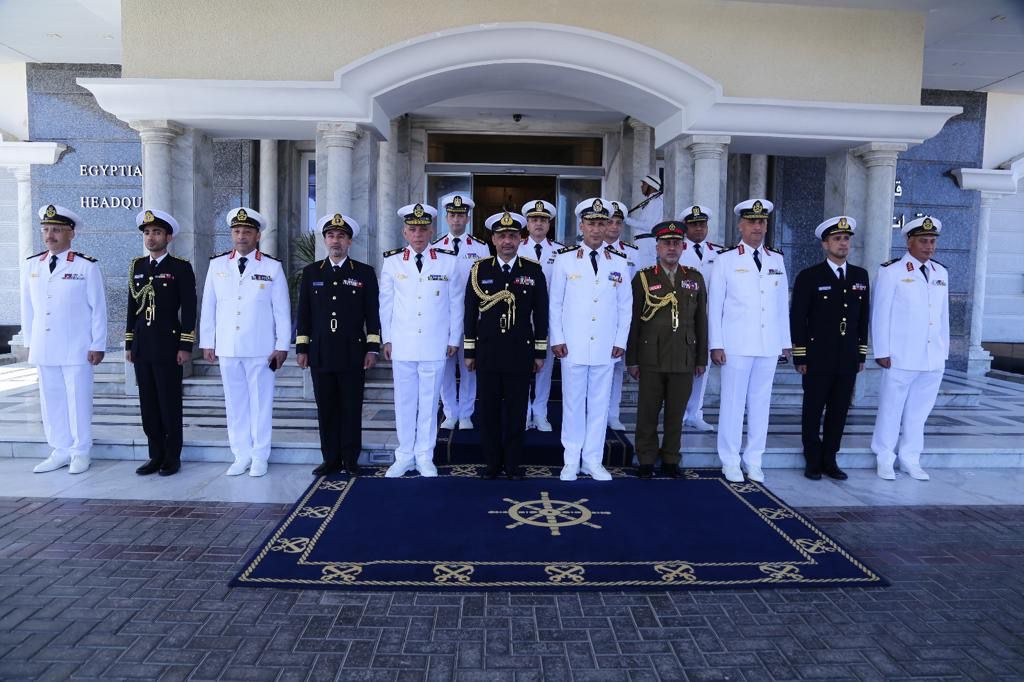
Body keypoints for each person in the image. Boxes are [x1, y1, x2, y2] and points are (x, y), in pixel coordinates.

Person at [199, 207, 291, 478]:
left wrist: (282, 345)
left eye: (247, 231)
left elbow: (282, 310)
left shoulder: (272, 267)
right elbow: (209, 306)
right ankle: (241, 454)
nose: (241, 236)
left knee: (261, 404)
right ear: (231, 234)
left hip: (261, 348)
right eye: (237, 231)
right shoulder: (217, 265)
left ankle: (260, 455)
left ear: (257, 236)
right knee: (235, 404)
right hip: (228, 346)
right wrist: (208, 341)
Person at [549, 198, 632, 481]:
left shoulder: (619, 262)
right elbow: (555, 304)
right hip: (572, 345)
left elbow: (625, 306)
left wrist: (620, 340)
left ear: (608, 226)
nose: (596, 229)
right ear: (581, 226)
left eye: (601, 223)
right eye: (591, 223)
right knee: (573, 404)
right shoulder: (565, 259)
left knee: (599, 405)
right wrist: (557, 338)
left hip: (605, 346)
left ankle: (593, 460)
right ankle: (571, 459)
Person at [708, 199, 791, 483]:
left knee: (760, 405)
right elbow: (715, 306)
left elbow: (781, 305)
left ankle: (754, 459)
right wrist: (716, 344)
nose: (757, 226)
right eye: (752, 222)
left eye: (762, 222)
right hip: (736, 344)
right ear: (740, 226)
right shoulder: (726, 260)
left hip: (768, 344)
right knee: (732, 404)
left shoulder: (776, 259)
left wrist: (785, 341)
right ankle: (730, 460)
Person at [380, 203, 465, 478]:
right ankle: (404, 455)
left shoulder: (448, 261)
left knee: (429, 403)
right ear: (404, 232)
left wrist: (454, 338)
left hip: (434, 343)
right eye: (412, 229)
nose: (418, 234)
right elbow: (386, 304)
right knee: (404, 402)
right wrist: (387, 339)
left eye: (423, 229)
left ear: (431, 231)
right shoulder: (392, 262)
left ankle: (425, 456)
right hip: (403, 344)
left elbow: (456, 304)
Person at [21, 204, 107, 475]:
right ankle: (60, 449)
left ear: (71, 233)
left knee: (78, 400)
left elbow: (98, 309)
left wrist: (98, 344)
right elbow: (27, 307)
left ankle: (80, 451)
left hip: (76, 347)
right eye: (46, 229)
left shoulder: (85, 266)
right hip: (45, 346)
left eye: (56, 230)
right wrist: (30, 342)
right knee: (51, 400)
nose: (50, 235)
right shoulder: (32, 265)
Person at [464, 211, 548, 479]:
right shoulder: (480, 270)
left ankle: (512, 464)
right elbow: (469, 312)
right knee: (488, 411)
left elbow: (542, 313)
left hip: (520, 351)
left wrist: (539, 351)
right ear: (493, 239)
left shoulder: (532, 270)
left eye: (512, 236)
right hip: (487, 351)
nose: (507, 241)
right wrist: (469, 350)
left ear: (521, 239)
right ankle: (491, 463)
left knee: (516, 410)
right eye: (502, 236)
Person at [295, 213, 380, 476]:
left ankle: (351, 459)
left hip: (353, 351)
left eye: (341, 236)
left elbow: (372, 313)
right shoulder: (311, 272)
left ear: (349, 241)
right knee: (326, 408)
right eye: (331, 236)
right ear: (324, 240)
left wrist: (372, 347)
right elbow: (304, 313)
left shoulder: (363, 272)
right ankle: (330, 459)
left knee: (351, 407)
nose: (336, 241)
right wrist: (302, 348)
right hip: (320, 352)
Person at [626, 220, 708, 478]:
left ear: (683, 247)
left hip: (684, 356)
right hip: (650, 357)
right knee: (647, 412)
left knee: (676, 413)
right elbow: (633, 321)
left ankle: (671, 458)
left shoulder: (694, 278)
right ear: (657, 247)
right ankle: (646, 459)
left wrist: (701, 358)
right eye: (666, 243)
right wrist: (632, 359)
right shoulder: (643, 278)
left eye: (676, 243)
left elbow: (701, 321)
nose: (671, 248)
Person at [870, 215, 949, 481]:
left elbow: (943, 317)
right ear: (909, 242)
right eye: (923, 241)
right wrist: (881, 351)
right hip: (900, 355)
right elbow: (880, 314)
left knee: (919, 412)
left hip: (931, 357)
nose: (929, 246)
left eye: (932, 241)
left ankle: (910, 458)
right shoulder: (892, 271)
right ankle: (884, 456)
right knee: (891, 409)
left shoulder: (941, 272)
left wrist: (943, 352)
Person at [790, 216, 869, 481]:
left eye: (846, 239)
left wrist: (861, 352)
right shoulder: (809, 276)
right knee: (813, 410)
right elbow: (798, 318)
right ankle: (813, 460)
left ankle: (830, 459)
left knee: (839, 410)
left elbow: (863, 318)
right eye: (837, 239)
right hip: (817, 357)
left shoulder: (860, 276)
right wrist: (800, 355)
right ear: (825, 244)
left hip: (847, 356)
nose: (843, 243)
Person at [126, 209, 197, 477]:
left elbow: (189, 309)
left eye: (156, 232)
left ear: (168, 237)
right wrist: (129, 343)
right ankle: (155, 455)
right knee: (148, 404)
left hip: (168, 345)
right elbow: (131, 307)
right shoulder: (137, 266)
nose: (151, 237)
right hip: (142, 346)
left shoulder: (180, 267)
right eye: (147, 233)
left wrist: (185, 345)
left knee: (169, 403)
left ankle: (172, 456)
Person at [433, 193, 489, 431]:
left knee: (469, 367)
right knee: (445, 368)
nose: (456, 219)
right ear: (446, 218)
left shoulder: (480, 247)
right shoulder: (435, 247)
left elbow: (485, 282)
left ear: (467, 218)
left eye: (461, 215)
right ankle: (449, 412)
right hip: (443, 318)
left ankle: (466, 413)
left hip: (471, 318)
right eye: (452, 215)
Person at [677, 205, 723, 433]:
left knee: (702, 368)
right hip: (683, 319)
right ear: (686, 227)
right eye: (694, 225)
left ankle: (696, 413)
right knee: (680, 367)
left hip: (709, 319)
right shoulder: (678, 249)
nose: (699, 229)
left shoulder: (719, 253)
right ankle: (678, 412)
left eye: (702, 224)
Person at [517, 199, 561, 432]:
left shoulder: (561, 252)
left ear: (549, 224)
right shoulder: (516, 248)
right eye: (534, 219)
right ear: (527, 223)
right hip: (521, 319)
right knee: (522, 367)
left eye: (543, 220)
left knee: (544, 368)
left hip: (549, 319)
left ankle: (541, 412)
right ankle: (523, 412)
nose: (539, 224)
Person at [603, 199, 639, 431]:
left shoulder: (632, 253)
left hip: (620, 321)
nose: (614, 227)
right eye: (610, 222)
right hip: (596, 320)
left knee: (616, 369)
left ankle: (613, 413)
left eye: (618, 222)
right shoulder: (585, 252)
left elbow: (635, 290)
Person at [626, 174, 664, 270]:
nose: (641, 187)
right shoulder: (651, 201)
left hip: (647, 243)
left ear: (651, 185)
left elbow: (649, 225)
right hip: (643, 242)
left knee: (646, 272)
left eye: (644, 184)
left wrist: (626, 219)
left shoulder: (656, 201)